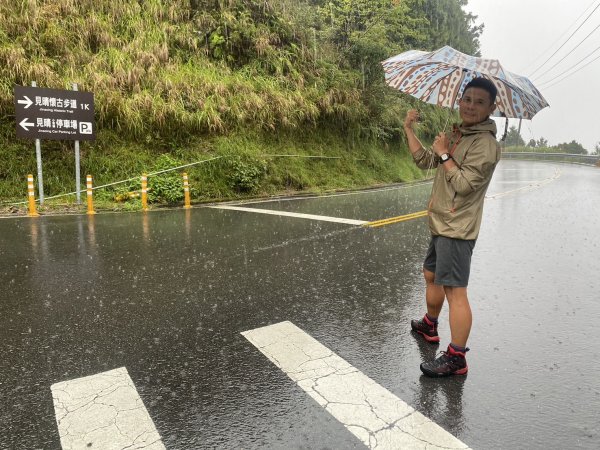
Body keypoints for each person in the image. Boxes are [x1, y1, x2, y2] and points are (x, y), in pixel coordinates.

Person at [403, 77, 501, 377]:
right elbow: (424, 161)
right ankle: (430, 325)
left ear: (491, 107)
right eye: (467, 98)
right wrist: (409, 128)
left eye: (479, 101)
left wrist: (445, 154)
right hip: (441, 222)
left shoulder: (485, 145)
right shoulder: (460, 135)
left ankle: (457, 357)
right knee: (431, 275)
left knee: (455, 291)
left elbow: (466, 184)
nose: (470, 105)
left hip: (457, 228)